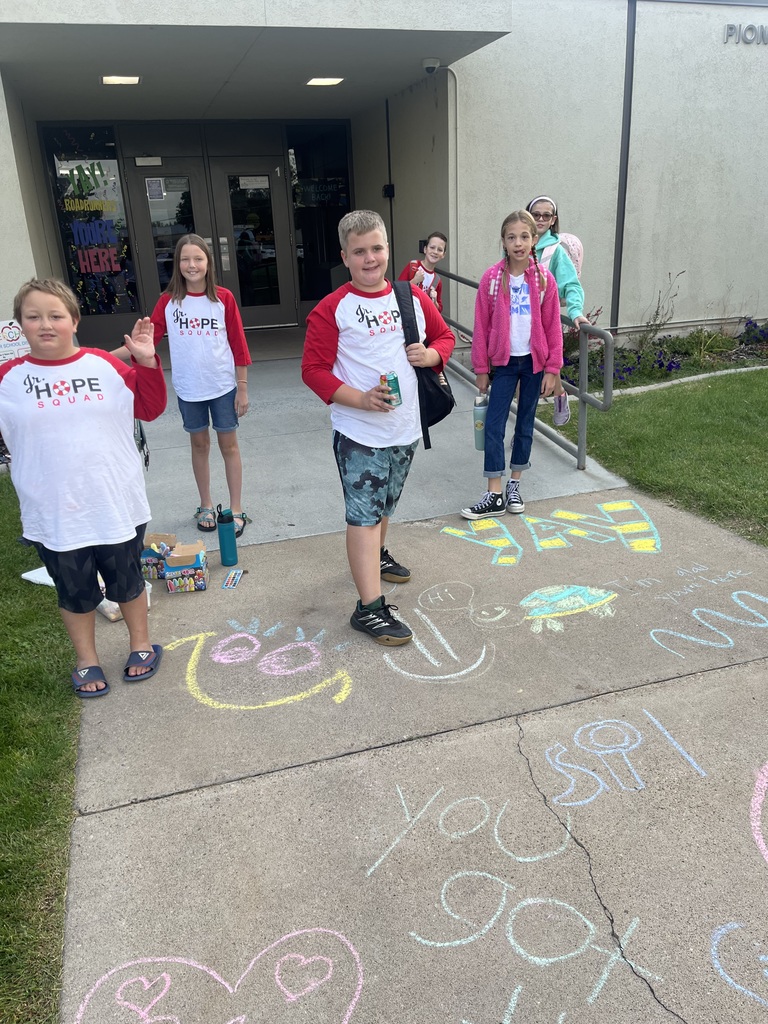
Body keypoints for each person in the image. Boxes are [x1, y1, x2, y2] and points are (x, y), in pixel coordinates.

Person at [0, 279, 167, 697]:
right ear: (20, 325)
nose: (45, 325)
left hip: (114, 501)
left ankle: (141, 645)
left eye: (55, 315)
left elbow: (151, 407)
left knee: (126, 581)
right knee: (74, 592)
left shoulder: (104, 365)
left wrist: (148, 363)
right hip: (53, 509)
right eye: (33, 317)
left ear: (74, 320)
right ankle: (87, 660)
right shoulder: (8, 379)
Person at [302, 210, 455, 646]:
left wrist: (433, 356)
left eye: (377, 248)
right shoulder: (333, 309)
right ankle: (369, 608)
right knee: (364, 517)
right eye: (359, 252)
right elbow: (313, 370)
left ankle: (376, 557)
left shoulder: (411, 297)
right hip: (359, 433)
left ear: (388, 249)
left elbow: (444, 336)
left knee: (384, 508)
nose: (370, 259)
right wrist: (360, 399)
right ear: (344, 257)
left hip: (405, 430)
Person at [116, 234, 252, 536]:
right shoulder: (168, 302)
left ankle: (237, 508)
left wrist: (241, 386)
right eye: (185, 259)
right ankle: (205, 504)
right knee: (199, 444)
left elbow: (238, 344)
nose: (192, 265)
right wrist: (100, 358)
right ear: (177, 264)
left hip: (222, 387)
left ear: (208, 263)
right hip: (189, 389)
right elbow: (144, 343)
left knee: (229, 445)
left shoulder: (223, 299)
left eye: (198, 259)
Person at [461, 210, 562, 520]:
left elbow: (553, 325)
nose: (518, 243)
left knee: (525, 423)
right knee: (493, 423)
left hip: (534, 362)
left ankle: (515, 485)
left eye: (524, 236)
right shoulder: (492, 279)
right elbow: (481, 324)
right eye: (511, 237)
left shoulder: (544, 279)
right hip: (504, 363)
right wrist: (481, 368)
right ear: (503, 242)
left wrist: (553, 368)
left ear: (533, 240)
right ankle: (494, 492)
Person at [526, 195, 589, 426]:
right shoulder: (518, 243)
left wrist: (576, 312)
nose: (541, 219)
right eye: (536, 214)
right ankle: (559, 394)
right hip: (519, 323)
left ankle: (523, 432)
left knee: (532, 378)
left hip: (543, 324)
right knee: (527, 378)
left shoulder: (555, 250)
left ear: (553, 220)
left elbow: (571, 284)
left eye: (546, 215)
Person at [397, 232, 448, 311]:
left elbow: (438, 309)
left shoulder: (437, 281)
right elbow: (398, 290)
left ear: (443, 255)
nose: (435, 252)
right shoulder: (413, 266)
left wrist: (434, 300)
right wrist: (415, 281)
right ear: (425, 249)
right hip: (408, 314)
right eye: (432, 247)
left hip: (423, 318)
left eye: (440, 250)